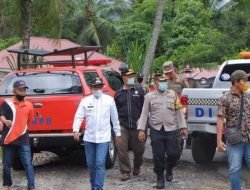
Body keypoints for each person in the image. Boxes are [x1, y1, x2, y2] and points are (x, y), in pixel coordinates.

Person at [137, 75, 188, 189]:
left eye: (165, 81)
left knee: (174, 154)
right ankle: (160, 177)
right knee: (158, 155)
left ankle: (169, 168)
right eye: (161, 81)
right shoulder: (149, 96)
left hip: (171, 129)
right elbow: (144, 114)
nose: (164, 83)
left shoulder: (173, 95)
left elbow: (179, 112)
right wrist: (141, 130)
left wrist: (183, 127)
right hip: (156, 129)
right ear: (155, 83)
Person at [72, 77, 121, 190]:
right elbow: (79, 116)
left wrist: (118, 133)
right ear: (91, 88)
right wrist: (76, 130)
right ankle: (93, 185)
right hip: (89, 138)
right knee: (90, 165)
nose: (98, 89)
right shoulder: (85, 101)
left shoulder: (109, 100)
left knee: (99, 163)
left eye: (99, 87)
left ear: (102, 87)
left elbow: (115, 118)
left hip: (104, 138)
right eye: (95, 87)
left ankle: (98, 187)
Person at [217, 70, 250, 190]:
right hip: (235, 139)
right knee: (235, 168)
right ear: (236, 82)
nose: (246, 82)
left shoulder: (247, 96)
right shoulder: (225, 98)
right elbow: (220, 120)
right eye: (244, 80)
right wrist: (219, 141)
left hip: (248, 137)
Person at [0, 80, 35, 190]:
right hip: (9, 139)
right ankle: (7, 184)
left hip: (23, 139)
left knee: (28, 164)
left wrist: (22, 129)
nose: (23, 92)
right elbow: (1, 115)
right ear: (14, 91)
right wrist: (5, 122)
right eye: (20, 90)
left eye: (24, 90)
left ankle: (32, 186)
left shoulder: (29, 105)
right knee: (6, 165)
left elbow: (29, 121)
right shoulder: (7, 103)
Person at [115, 68, 145, 181]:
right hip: (123, 124)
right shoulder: (118, 94)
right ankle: (125, 171)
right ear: (124, 78)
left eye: (133, 76)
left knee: (139, 150)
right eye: (129, 76)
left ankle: (137, 166)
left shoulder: (140, 90)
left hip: (138, 125)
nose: (132, 78)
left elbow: (145, 108)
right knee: (121, 148)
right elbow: (115, 111)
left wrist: (142, 120)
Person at [182, 64, 200, 149]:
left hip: (191, 105)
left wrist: (187, 84)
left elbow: (197, 92)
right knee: (182, 123)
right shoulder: (180, 81)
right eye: (186, 71)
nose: (187, 73)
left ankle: (188, 143)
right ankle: (181, 142)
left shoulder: (195, 81)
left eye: (189, 71)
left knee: (190, 123)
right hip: (182, 105)